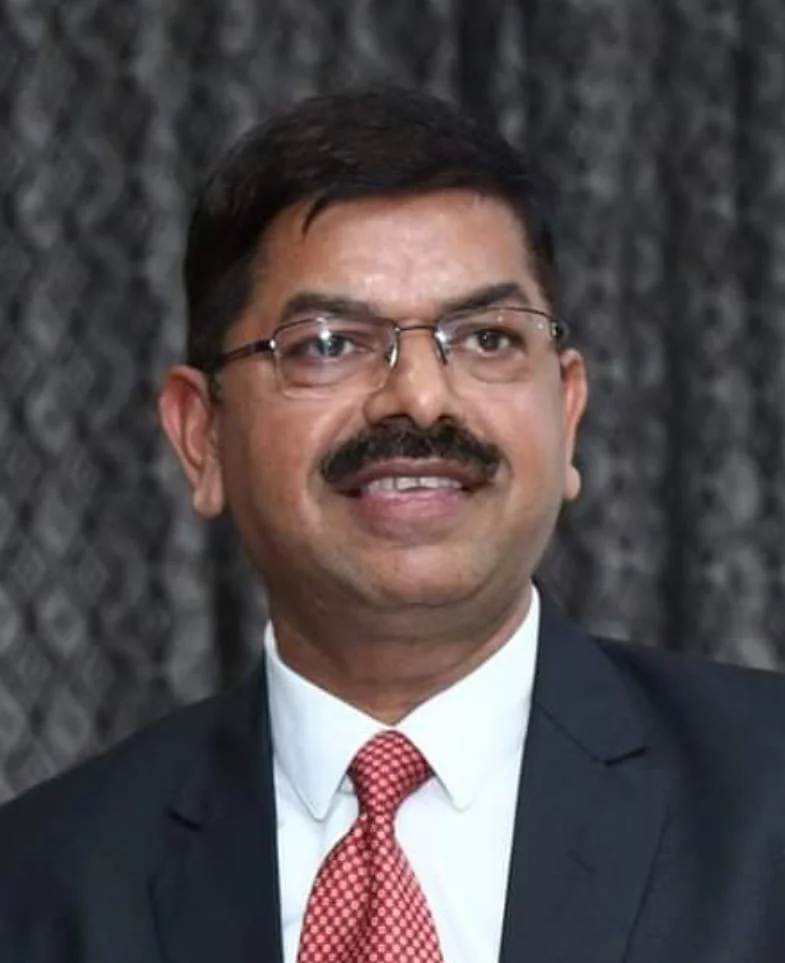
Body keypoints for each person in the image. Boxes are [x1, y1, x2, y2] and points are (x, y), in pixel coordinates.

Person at [1, 87, 784, 963]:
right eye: (328, 344)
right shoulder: (40, 888)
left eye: (486, 337)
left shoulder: (765, 799)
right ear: (202, 435)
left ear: (566, 411)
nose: (418, 395)